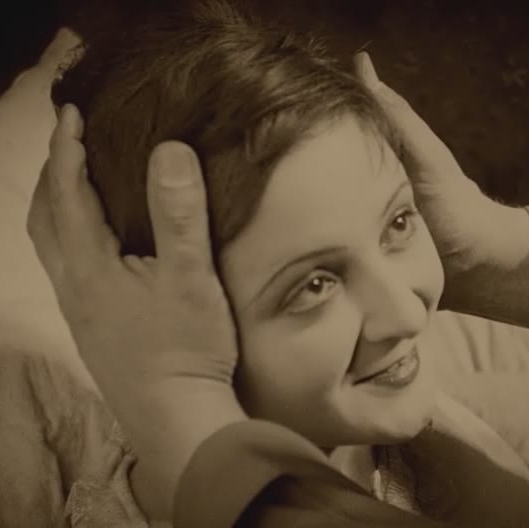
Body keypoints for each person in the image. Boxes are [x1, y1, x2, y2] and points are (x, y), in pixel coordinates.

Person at [26, 3, 529, 528]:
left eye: (399, 222)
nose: (405, 313)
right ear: (160, 328)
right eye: (314, 285)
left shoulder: (394, 414)